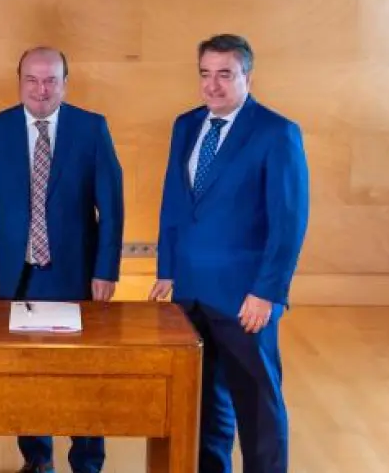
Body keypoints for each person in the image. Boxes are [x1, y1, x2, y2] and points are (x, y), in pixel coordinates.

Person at [150, 34, 309, 473]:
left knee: (257, 408)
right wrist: (167, 267)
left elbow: (288, 222)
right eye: (205, 74)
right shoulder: (186, 125)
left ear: (247, 77)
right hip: (190, 292)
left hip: (245, 298)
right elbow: (174, 200)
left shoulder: (276, 132)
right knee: (203, 405)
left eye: (225, 74)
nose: (212, 85)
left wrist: (267, 292)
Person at [0, 46, 124, 473]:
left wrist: (106, 269)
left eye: (51, 80)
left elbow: (111, 207)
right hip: (15, 275)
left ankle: (87, 461)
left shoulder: (91, 128)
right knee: (25, 372)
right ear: (19, 82)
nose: (41, 90)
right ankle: (37, 459)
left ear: (65, 84)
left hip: (76, 274)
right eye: (32, 80)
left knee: (83, 373)